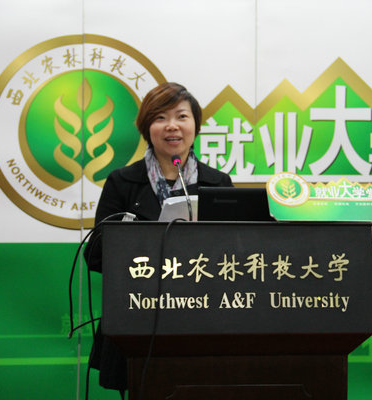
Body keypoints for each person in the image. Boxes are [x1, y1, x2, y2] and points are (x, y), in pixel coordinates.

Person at [83, 82, 233, 395]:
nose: (172, 126)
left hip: (201, 317)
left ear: (195, 126)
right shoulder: (122, 182)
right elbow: (95, 255)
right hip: (137, 316)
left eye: (182, 116)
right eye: (160, 118)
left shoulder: (217, 183)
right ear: (146, 128)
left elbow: (234, 254)